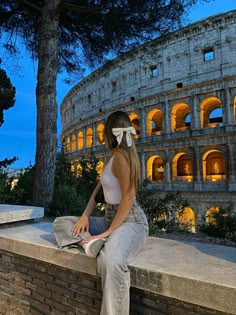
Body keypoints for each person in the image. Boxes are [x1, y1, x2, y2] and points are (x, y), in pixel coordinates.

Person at [53, 110, 149, 315]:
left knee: (111, 262)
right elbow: (98, 193)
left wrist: (108, 232)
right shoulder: (112, 158)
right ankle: (92, 245)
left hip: (130, 221)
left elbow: (129, 197)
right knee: (62, 223)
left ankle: (98, 243)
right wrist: (85, 216)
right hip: (109, 219)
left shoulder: (123, 157)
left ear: (109, 134)